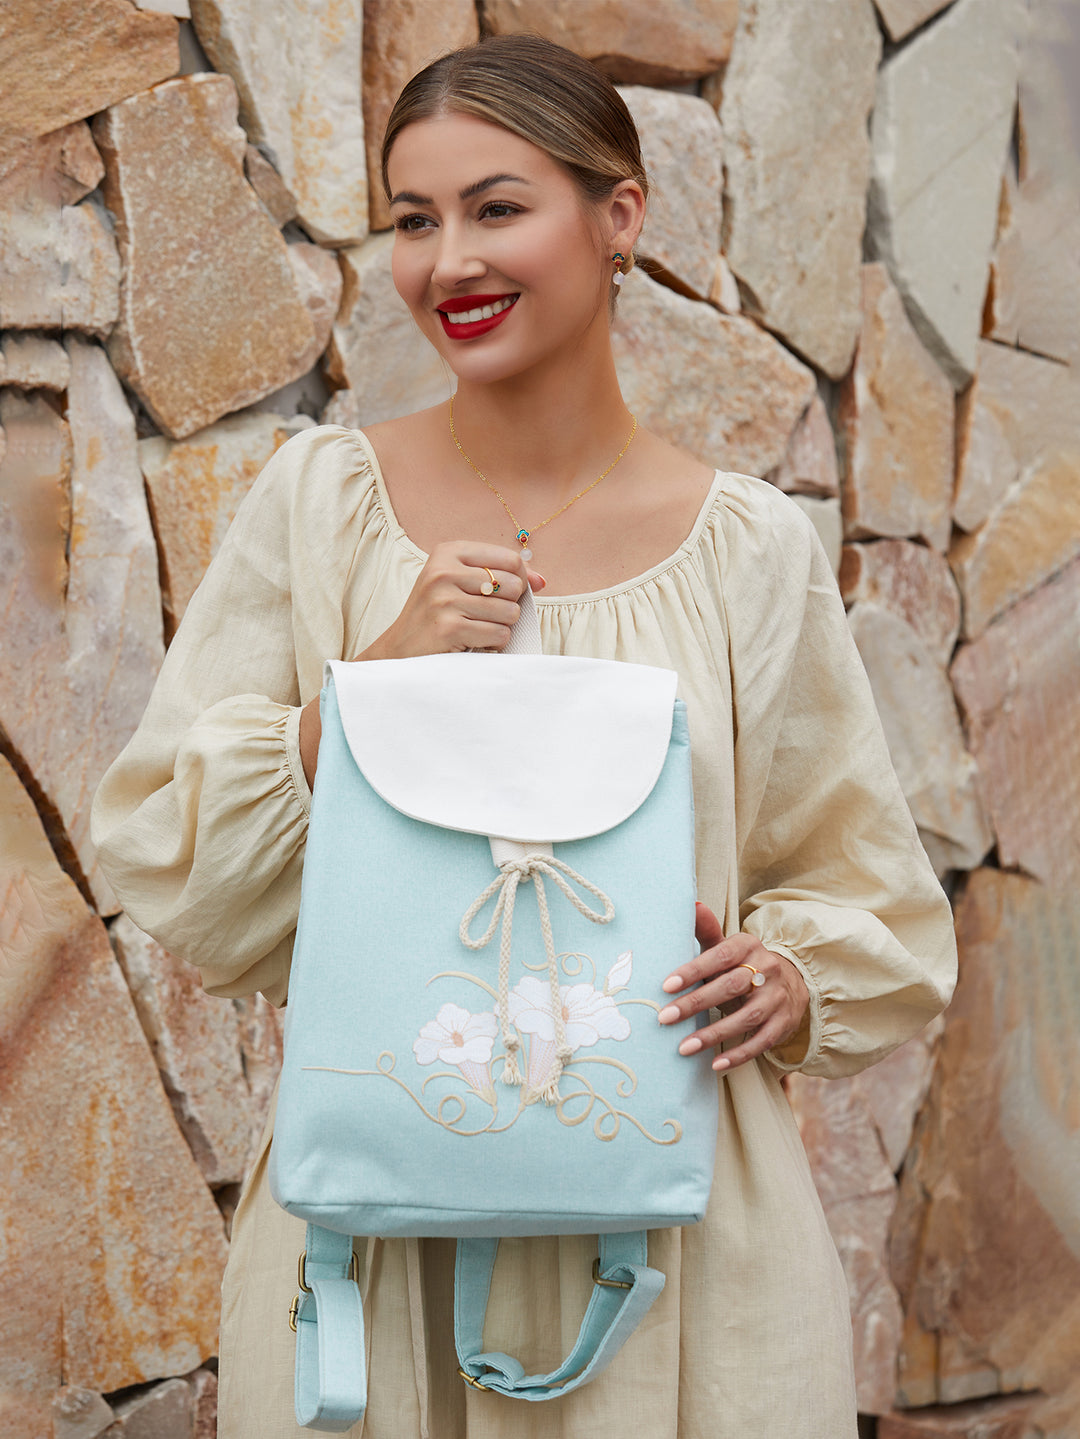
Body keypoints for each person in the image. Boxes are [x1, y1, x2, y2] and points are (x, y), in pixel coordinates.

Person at [92, 33, 957, 1439]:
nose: (449, 264)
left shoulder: (746, 549)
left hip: (678, 1255)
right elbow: (174, 868)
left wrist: (789, 973)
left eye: (498, 208)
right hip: (375, 1235)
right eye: (414, 221)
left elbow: (868, 888)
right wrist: (375, 682)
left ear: (619, 216)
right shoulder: (324, 506)